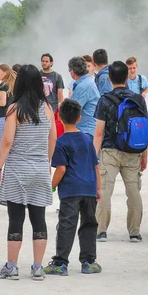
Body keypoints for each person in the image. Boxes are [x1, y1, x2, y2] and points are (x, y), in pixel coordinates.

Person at [0, 64, 57, 281]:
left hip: (17, 169)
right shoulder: (47, 108)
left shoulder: (14, 108)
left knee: (16, 219)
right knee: (39, 219)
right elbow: (52, 138)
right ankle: (37, 267)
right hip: (39, 168)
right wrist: (46, 161)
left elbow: (8, 141)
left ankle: (12, 266)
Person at [44, 99, 102, 276]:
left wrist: (51, 186)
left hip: (70, 190)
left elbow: (61, 169)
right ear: (79, 118)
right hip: (89, 188)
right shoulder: (87, 139)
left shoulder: (61, 142)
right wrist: (98, 188)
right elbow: (95, 165)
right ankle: (88, 261)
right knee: (89, 224)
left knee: (67, 224)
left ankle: (61, 262)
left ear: (59, 118)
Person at [93, 61, 148, 243]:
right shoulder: (139, 99)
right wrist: (144, 155)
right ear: (127, 77)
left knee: (105, 191)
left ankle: (101, 230)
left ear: (109, 79)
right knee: (133, 191)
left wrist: (94, 156)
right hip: (133, 151)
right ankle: (134, 232)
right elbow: (143, 128)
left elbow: (99, 132)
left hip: (110, 151)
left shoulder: (105, 100)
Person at [68, 57, 100, 137]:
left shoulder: (83, 86)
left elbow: (72, 111)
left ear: (72, 72)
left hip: (85, 132)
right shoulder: (87, 82)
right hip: (90, 130)